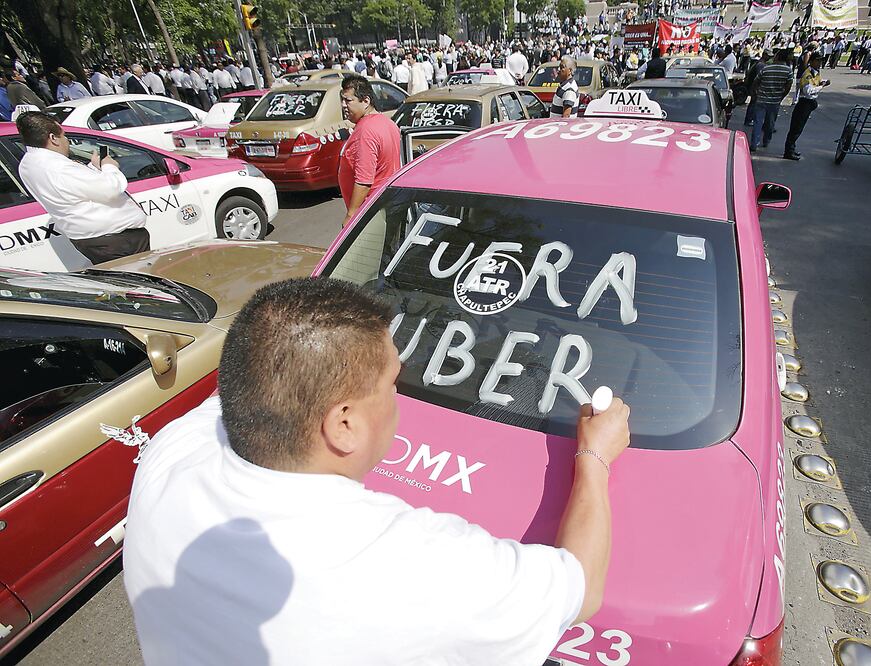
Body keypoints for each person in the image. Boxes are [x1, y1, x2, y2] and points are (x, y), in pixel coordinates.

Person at [124, 276, 631, 665]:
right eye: (392, 382)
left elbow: (254, 372)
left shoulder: (169, 454)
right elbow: (579, 588)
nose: (399, 392)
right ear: (343, 424)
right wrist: (595, 458)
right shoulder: (408, 564)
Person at [15, 112, 148, 264]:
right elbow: (110, 189)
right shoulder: (58, 167)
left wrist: (94, 168)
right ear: (53, 138)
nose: (67, 141)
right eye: (64, 136)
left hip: (91, 239)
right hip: (116, 240)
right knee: (142, 282)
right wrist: (110, 167)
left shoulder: (27, 164)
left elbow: (73, 189)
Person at [337, 74, 401, 223]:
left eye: (348, 100)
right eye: (342, 100)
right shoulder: (388, 123)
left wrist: (351, 215)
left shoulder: (365, 131)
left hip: (370, 212)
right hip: (388, 204)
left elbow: (364, 180)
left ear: (365, 101)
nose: (343, 105)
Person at [784, 53, 830, 160]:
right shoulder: (807, 74)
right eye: (817, 61)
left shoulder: (816, 73)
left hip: (809, 103)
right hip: (804, 103)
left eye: (820, 61)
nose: (819, 63)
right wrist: (821, 86)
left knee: (799, 129)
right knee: (796, 128)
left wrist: (821, 83)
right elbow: (808, 91)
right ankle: (788, 152)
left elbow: (815, 84)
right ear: (812, 61)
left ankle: (792, 148)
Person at [749, 49, 794, 151]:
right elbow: (788, 86)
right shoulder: (788, 71)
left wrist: (755, 93)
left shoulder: (766, 68)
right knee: (770, 123)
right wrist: (781, 96)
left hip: (761, 99)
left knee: (757, 122)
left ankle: (754, 143)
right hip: (775, 101)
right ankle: (766, 140)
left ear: (777, 57)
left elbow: (756, 81)